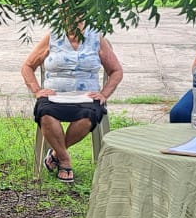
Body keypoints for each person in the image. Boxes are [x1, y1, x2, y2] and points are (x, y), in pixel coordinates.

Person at [20, 20, 124, 184]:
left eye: (79, 18)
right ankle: (65, 160)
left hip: (86, 97)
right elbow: (27, 66)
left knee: (87, 117)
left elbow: (116, 70)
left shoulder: (96, 38)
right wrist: (37, 90)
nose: (74, 22)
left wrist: (104, 94)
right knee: (45, 114)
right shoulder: (52, 36)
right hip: (54, 95)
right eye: (69, 17)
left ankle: (56, 154)